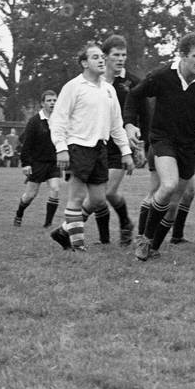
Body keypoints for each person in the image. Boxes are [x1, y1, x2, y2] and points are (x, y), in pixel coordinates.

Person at [124, 33, 195, 261]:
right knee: (168, 185)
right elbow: (134, 96)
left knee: (174, 203)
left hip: (189, 144)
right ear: (182, 56)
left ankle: (153, 248)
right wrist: (130, 124)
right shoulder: (162, 76)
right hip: (162, 139)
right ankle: (145, 240)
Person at [48, 43, 134, 251]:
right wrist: (61, 148)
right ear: (84, 63)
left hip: (100, 149)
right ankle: (78, 247)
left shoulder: (109, 90)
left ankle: (63, 233)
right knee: (76, 198)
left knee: (97, 200)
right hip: (78, 147)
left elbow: (116, 125)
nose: (101, 60)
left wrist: (126, 152)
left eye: (102, 57)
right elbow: (58, 120)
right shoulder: (73, 87)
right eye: (95, 57)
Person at [98, 35, 141, 246]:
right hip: (97, 143)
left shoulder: (133, 83)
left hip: (121, 144)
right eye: (116, 55)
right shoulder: (94, 81)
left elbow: (144, 114)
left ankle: (125, 223)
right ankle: (104, 238)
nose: (121, 58)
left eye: (124, 55)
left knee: (108, 191)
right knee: (97, 192)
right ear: (105, 57)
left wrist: (141, 142)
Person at [14, 90, 62, 227]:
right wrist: (26, 163)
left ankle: (47, 224)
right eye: (49, 100)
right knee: (30, 195)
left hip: (54, 163)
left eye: (54, 100)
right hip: (37, 163)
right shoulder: (35, 121)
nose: (52, 103)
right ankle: (19, 214)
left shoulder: (60, 119)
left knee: (55, 189)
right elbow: (26, 143)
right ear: (42, 103)